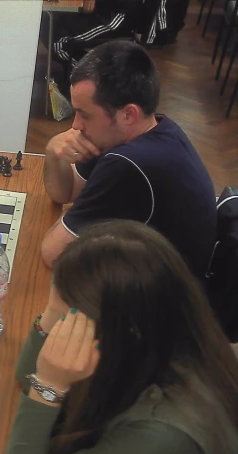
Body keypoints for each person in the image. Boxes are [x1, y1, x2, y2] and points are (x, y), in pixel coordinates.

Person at [2, 221, 238, 454]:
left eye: (75, 310)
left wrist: (50, 385)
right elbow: (25, 376)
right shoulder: (160, 337)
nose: (68, 322)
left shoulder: (168, 432)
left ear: (120, 328)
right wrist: (52, 314)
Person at [41, 41, 216, 277]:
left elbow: (53, 254)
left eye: (84, 114)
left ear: (128, 114)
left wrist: (73, 217)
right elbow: (65, 192)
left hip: (165, 304)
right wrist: (53, 152)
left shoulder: (130, 163)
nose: (75, 125)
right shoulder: (153, 128)